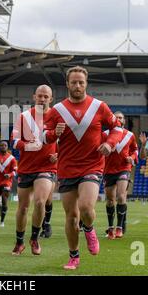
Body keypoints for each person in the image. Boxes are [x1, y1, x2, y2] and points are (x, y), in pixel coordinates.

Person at [44, 66, 123, 270]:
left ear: (86, 84)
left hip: (92, 165)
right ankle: (74, 257)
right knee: (71, 217)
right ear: (67, 84)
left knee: (86, 207)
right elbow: (44, 136)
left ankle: (89, 229)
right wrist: (54, 134)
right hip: (67, 168)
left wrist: (109, 144)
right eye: (74, 82)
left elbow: (116, 128)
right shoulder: (57, 110)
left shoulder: (99, 106)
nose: (77, 86)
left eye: (81, 82)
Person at [11, 84, 58, 256]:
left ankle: (35, 238)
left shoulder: (57, 117)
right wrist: (28, 146)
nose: (43, 99)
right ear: (34, 97)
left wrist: (59, 156)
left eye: (46, 96)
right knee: (23, 208)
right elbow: (14, 142)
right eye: (40, 96)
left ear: (51, 99)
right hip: (26, 167)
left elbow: (68, 143)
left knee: (40, 202)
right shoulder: (24, 117)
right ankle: (19, 241)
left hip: (47, 167)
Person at [102, 111, 138, 239]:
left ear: (123, 120)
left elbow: (135, 150)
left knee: (121, 196)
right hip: (108, 170)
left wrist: (132, 157)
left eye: (121, 117)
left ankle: (120, 227)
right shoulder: (105, 134)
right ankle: (110, 228)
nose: (118, 119)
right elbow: (98, 149)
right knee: (110, 200)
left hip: (124, 168)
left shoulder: (130, 135)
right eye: (116, 117)